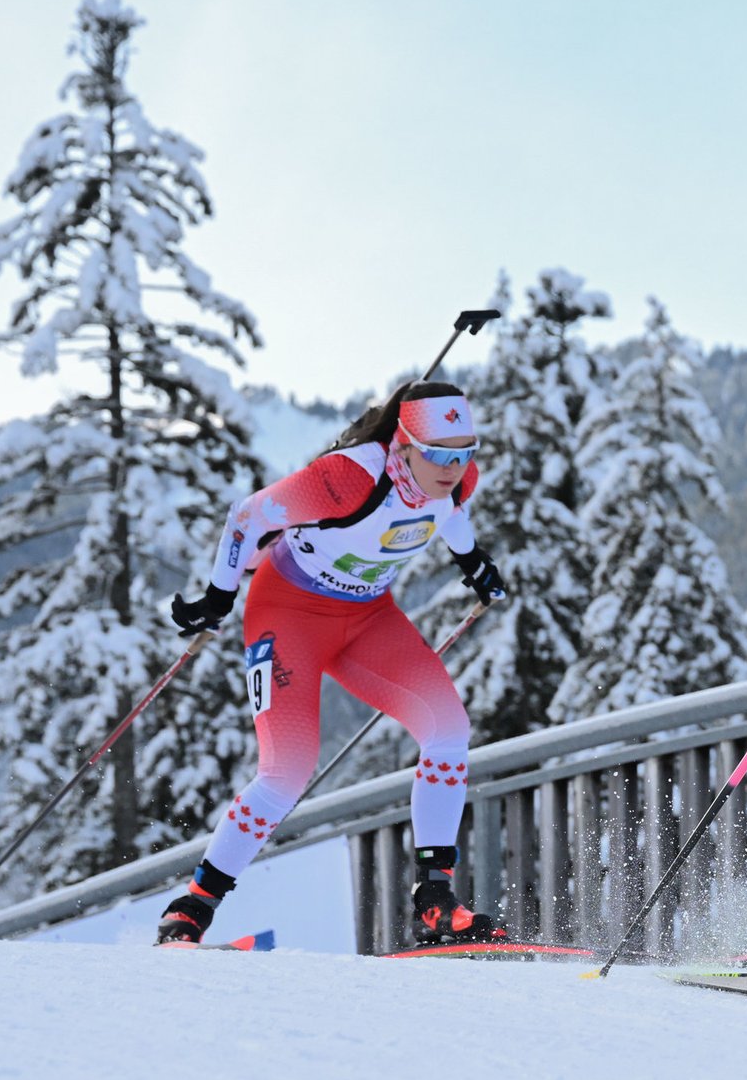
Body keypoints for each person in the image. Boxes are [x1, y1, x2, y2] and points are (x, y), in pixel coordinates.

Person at [158, 381, 510, 947]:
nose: (454, 466)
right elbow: (247, 517)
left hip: (367, 619)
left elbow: (449, 511)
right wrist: (219, 596)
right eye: (439, 454)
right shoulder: (347, 477)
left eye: (466, 451)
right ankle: (193, 907)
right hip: (287, 613)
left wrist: (473, 560)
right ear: (403, 445)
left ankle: (436, 897)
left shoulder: (458, 478)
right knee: (288, 769)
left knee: (449, 731)